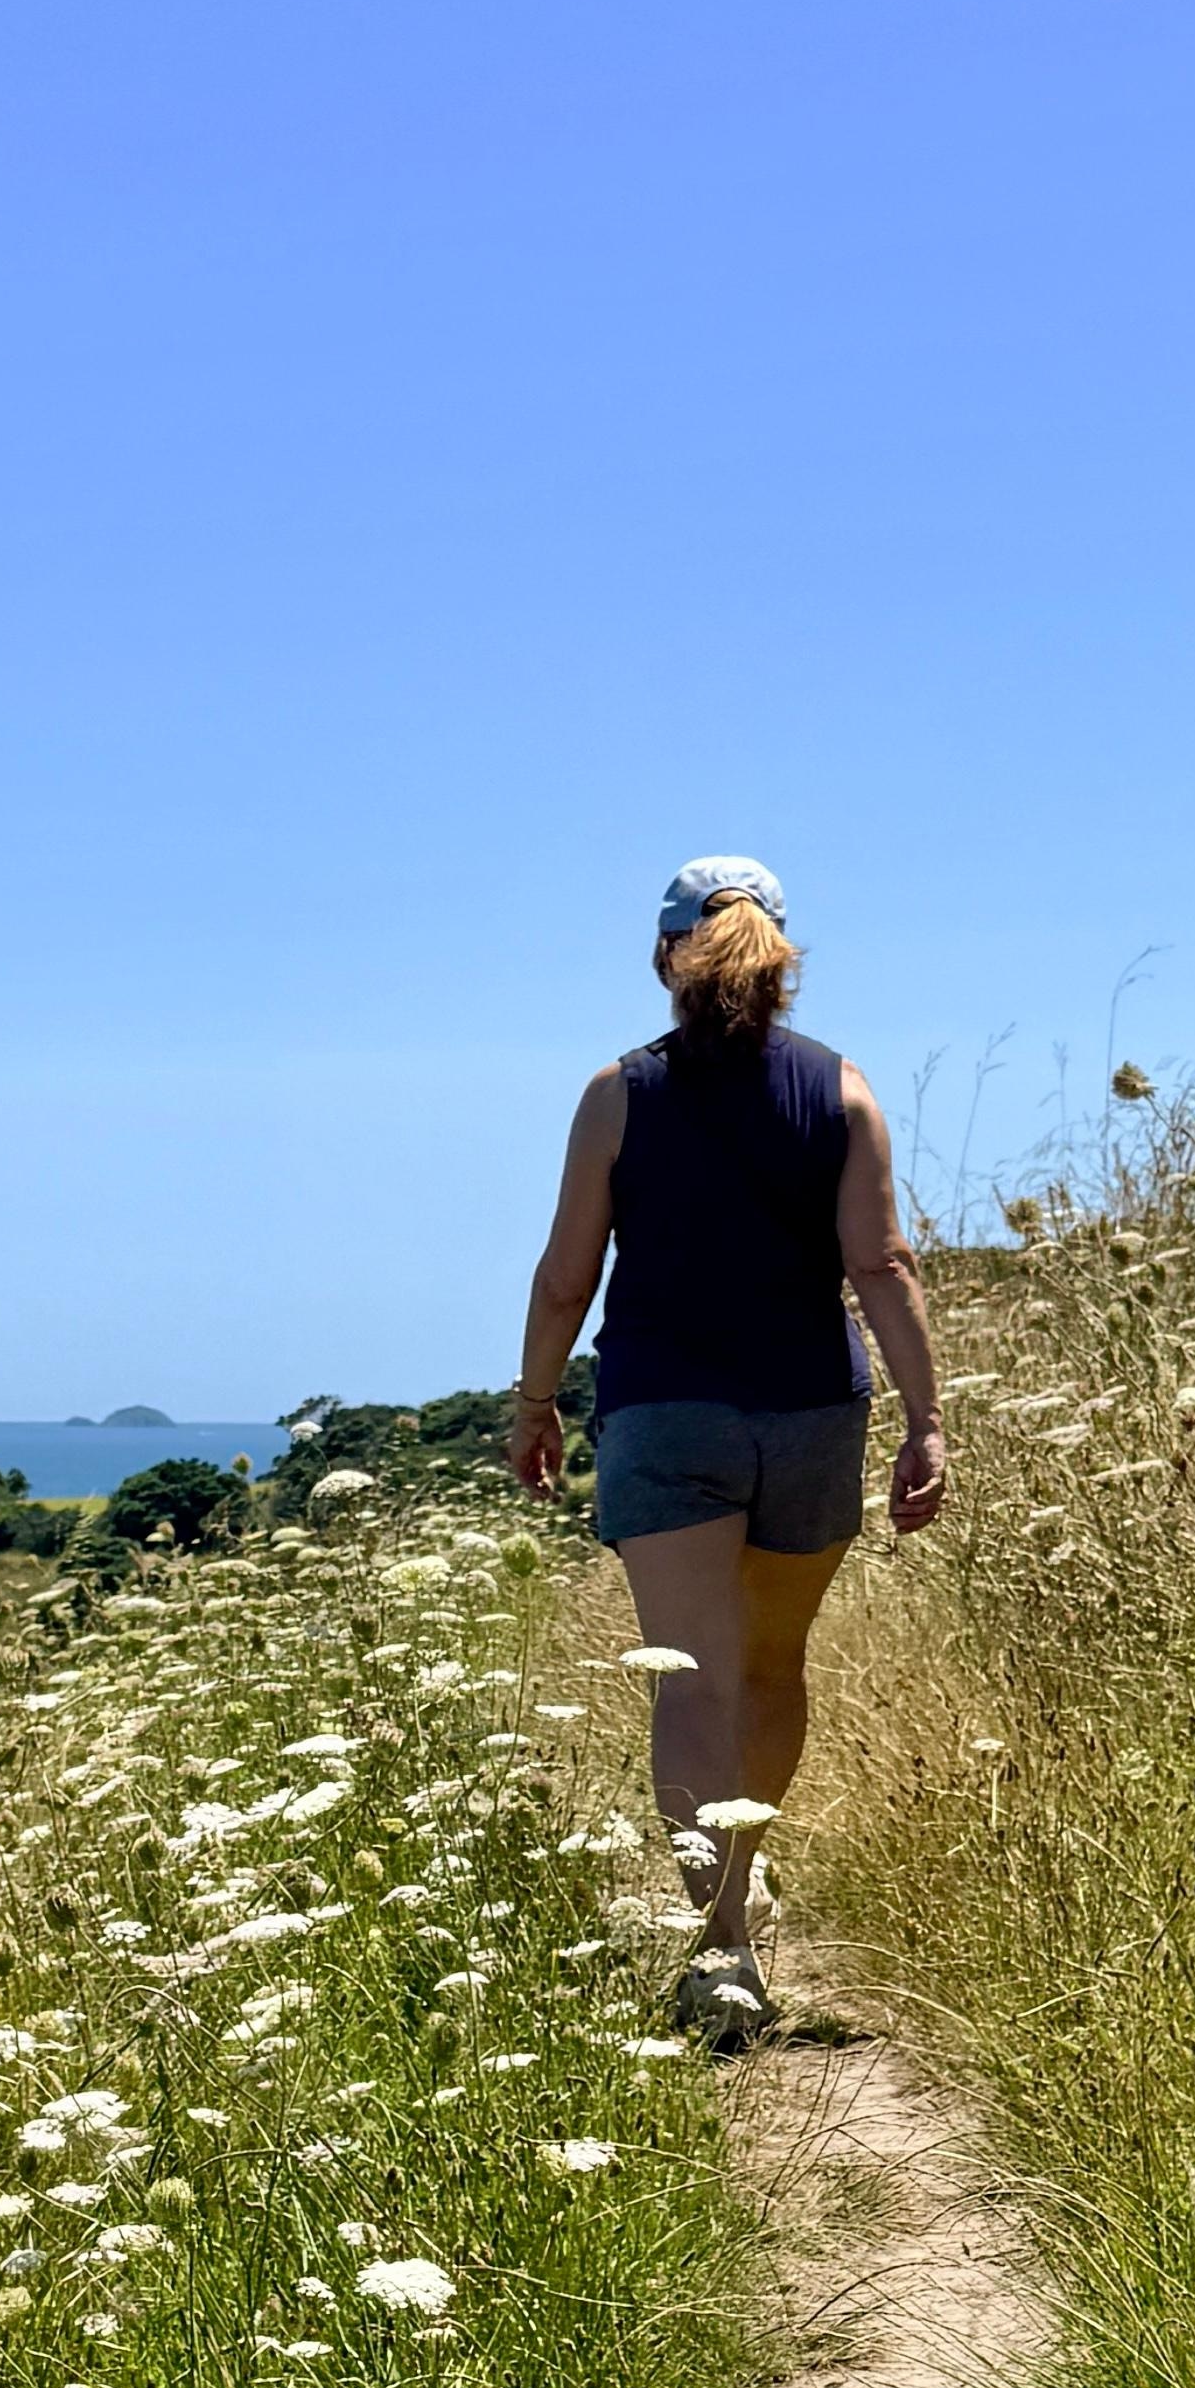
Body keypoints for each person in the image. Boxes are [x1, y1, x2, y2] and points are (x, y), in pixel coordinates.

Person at [506, 853, 947, 2031]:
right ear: (783, 963)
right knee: (771, 1667)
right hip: (810, 1411)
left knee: (691, 1687)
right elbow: (881, 1264)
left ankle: (722, 1944)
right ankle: (741, 1885)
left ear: (666, 958)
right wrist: (926, 1418)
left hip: (665, 1414)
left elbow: (566, 1276)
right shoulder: (842, 1092)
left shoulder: (619, 1094)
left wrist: (535, 1401)